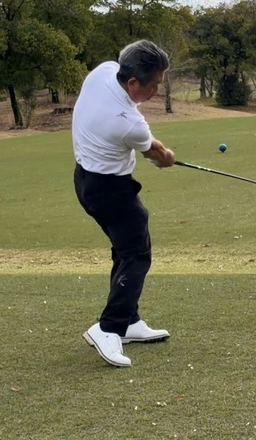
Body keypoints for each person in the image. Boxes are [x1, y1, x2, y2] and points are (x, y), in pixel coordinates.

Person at [72, 40, 176, 367]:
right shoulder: (129, 123)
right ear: (132, 83)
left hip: (84, 179)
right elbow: (156, 154)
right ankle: (109, 327)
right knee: (137, 254)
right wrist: (168, 157)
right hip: (109, 190)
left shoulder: (103, 72)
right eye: (154, 85)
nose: (157, 91)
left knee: (125, 248)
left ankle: (129, 320)